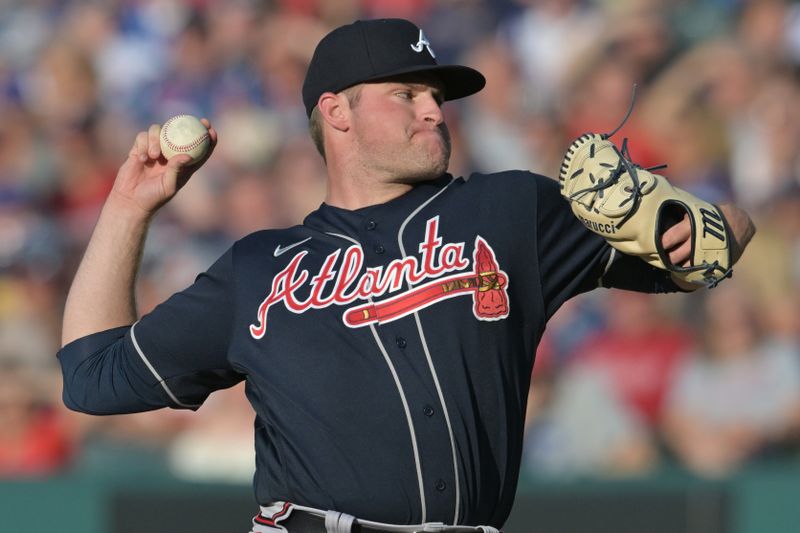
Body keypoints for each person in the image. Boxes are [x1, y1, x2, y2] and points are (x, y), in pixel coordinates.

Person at [58, 18, 755, 533]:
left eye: (436, 95)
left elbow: (709, 251)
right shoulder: (258, 269)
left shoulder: (511, 209)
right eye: (407, 92)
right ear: (336, 111)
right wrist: (128, 205)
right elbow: (91, 374)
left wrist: (689, 226)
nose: (433, 108)